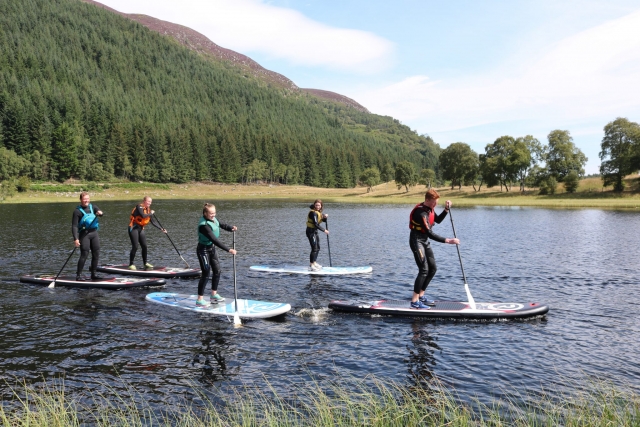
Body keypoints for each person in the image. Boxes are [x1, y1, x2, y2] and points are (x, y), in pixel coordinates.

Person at [409, 189, 460, 309]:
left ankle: (421, 296)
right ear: (427, 200)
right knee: (423, 270)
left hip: (424, 241)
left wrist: (446, 210)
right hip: (416, 241)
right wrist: (448, 240)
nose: (435, 205)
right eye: (433, 203)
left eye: (436, 203)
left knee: (433, 268)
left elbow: (437, 220)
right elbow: (430, 233)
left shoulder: (429, 208)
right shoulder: (421, 213)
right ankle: (414, 301)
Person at [195, 203, 237, 307]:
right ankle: (199, 300)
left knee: (217, 271)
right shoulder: (204, 225)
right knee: (206, 273)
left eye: (214, 213)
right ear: (205, 213)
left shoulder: (213, 219)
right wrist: (229, 249)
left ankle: (213, 294)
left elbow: (220, 224)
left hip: (211, 248)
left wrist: (230, 228)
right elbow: (214, 240)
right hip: (203, 250)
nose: (213, 215)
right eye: (211, 213)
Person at [128, 196, 167, 270]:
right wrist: (151, 213)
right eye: (148, 201)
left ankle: (145, 263)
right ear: (144, 201)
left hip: (140, 229)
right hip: (133, 228)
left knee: (144, 246)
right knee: (135, 246)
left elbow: (153, 221)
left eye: (151, 202)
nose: (150, 203)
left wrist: (161, 228)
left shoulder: (148, 210)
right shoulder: (139, 207)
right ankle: (131, 264)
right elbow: (143, 215)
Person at [72, 192, 104, 281]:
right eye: (84, 199)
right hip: (84, 234)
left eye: (88, 199)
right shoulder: (77, 211)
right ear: (81, 200)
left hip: (94, 233)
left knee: (96, 253)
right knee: (84, 254)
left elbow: (100, 213)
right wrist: (76, 238)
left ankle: (93, 274)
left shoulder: (93, 207)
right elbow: (74, 226)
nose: (86, 201)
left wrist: (100, 213)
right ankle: (78, 276)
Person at [306, 199, 328, 271]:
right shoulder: (313, 213)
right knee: (314, 248)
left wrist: (324, 217)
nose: (317, 206)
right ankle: (311, 264)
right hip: (310, 231)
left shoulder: (319, 212)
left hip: (315, 231)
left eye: (319, 205)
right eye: (316, 205)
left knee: (318, 247)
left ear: (321, 206)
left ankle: (314, 262)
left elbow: (321, 220)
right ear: (314, 205)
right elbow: (315, 224)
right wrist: (324, 230)